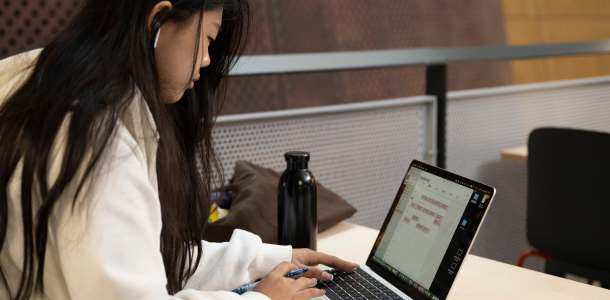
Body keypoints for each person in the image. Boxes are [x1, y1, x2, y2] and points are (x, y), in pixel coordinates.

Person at [0, 1, 358, 300]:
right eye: (206, 39)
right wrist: (262, 298)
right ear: (157, 20)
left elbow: (146, 260)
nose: (205, 59)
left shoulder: (46, 87)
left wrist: (275, 259)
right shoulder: (96, 137)